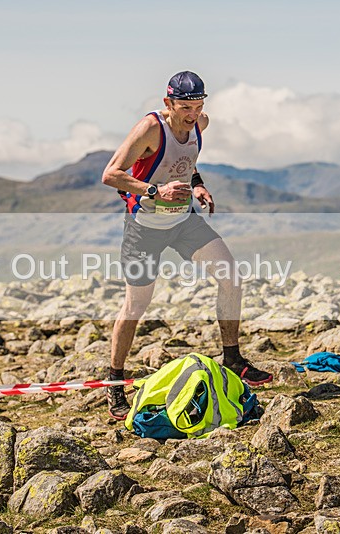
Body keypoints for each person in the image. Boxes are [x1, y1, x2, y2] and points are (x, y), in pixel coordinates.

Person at [101, 71, 273, 420]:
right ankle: (114, 381)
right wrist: (155, 191)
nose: (192, 114)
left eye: (198, 106)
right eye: (184, 107)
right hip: (144, 228)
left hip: (182, 221)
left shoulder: (200, 123)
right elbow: (111, 174)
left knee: (231, 277)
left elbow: (185, 164)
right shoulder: (150, 129)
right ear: (168, 103)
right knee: (137, 304)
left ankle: (233, 357)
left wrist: (197, 185)